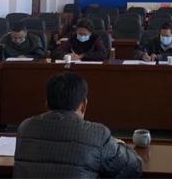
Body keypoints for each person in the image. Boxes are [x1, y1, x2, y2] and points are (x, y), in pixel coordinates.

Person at [14, 71, 142, 178]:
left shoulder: (25, 127)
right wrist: (120, 145)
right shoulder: (97, 134)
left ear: (47, 103)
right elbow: (134, 167)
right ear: (84, 105)